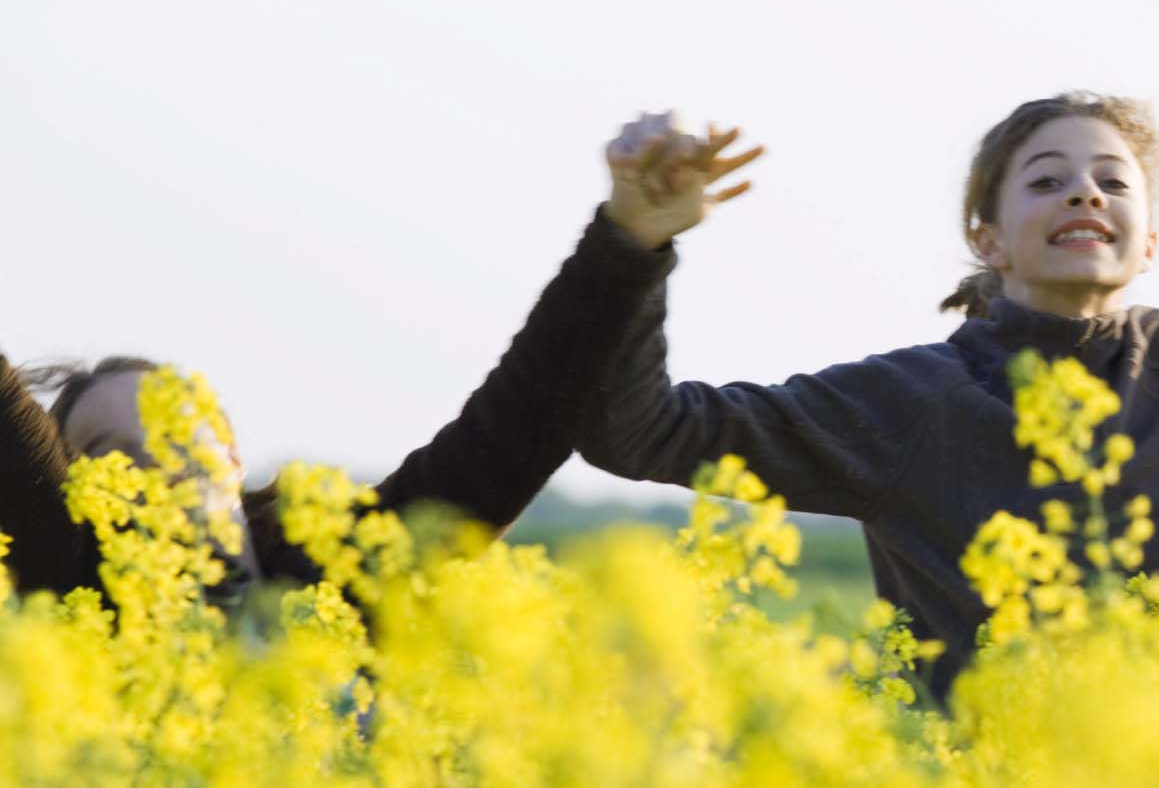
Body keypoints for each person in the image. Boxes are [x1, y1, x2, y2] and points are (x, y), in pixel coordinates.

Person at [578, 94, 1159, 698]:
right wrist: (635, 243)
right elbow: (643, 432)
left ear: (1148, 245)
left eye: (1112, 180)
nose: (1084, 192)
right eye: (1046, 181)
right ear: (988, 241)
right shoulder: (912, 400)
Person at [2, 124, 677, 603]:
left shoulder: (340, 578)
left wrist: (627, 236)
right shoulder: (68, 590)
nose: (162, 463)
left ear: (233, 457)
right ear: (70, 491)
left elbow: (513, 430)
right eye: (115, 452)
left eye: (180, 432)